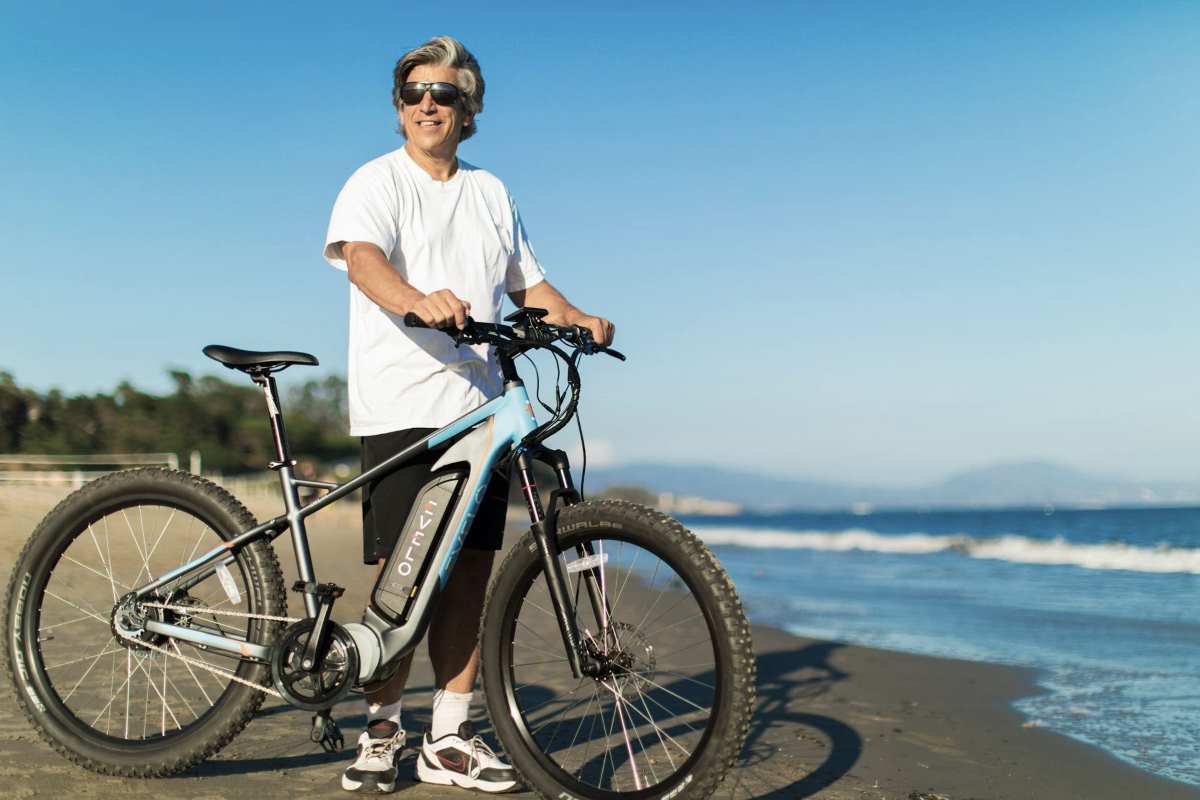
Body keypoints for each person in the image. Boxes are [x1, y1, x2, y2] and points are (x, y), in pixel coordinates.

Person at [322, 36, 614, 794]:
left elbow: (531, 286)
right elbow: (362, 259)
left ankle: (447, 735)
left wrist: (578, 317)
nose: (427, 103)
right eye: (414, 91)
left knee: (469, 572)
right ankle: (381, 730)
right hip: (403, 402)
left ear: (468, 108)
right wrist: (417, 299)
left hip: (481, 409)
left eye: (444, 93)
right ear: (399, 106)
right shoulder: (376, 181)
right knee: (402, 572)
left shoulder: (491, 193)